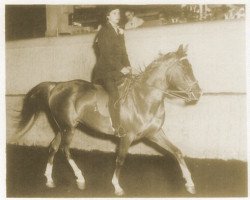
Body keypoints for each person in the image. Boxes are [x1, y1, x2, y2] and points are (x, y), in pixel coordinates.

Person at [92, 6, 131, 137]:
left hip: (118, 70)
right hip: (105, 72)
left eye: (118, 12)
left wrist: (128, 67)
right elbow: (107, 56)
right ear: (107, 16)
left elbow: (124, 52)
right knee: (114, 94)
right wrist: (122, 68)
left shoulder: (119, 32)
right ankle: (116, 126)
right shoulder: (104, 32)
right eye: (114, 13)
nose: (118, 15)